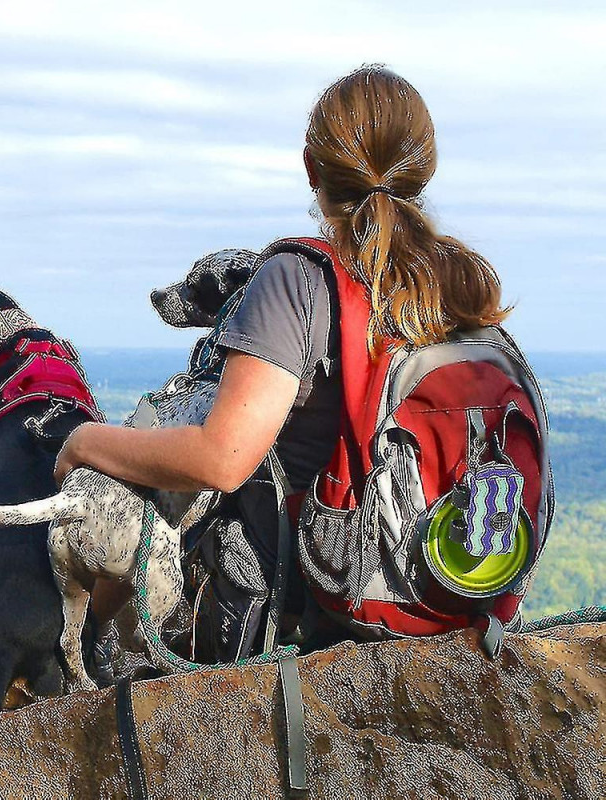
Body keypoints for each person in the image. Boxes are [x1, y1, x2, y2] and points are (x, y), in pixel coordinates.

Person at [54, 65, 512, 661]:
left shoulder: (298, 279)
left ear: (311, 168)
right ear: (424, 170)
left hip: (316, 581)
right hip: (447, 566)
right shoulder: (463, 280)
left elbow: (222, 458)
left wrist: (86, 441)